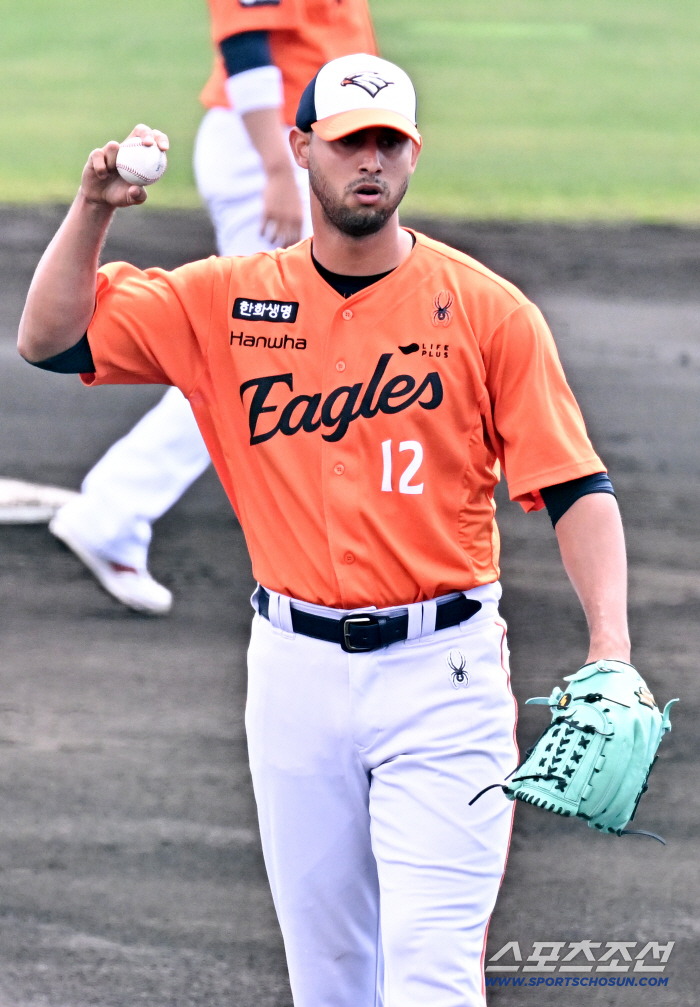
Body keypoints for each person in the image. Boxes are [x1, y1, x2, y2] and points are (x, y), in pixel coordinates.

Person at [18, 54, 630, 1007]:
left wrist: (613, 651)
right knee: (331, 982)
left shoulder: (487, 310)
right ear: (302, 148)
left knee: (431, 976)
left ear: (414, 156)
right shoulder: (223, 300)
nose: (370, 161)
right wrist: (93, 205)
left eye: (389, 142)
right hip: (292, 675)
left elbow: (575, 485)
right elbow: (51, 340)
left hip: (447, 680)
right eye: (350, 142)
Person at [44, 0, 376, 615]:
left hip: (299, 145)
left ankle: (116, 508)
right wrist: (278, 167)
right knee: (261, 354)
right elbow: (246, 45)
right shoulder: (275, 156)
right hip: (270, 146)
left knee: (273, 353)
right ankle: (114, 509)